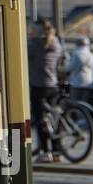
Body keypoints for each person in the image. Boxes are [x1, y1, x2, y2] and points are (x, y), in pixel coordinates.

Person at [28, 19, 63, 162]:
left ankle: (45, 152)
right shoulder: (56, 43)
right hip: (53, 85)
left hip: (39, 86)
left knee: (40, 119)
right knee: (54, 118)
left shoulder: (35, 44)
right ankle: (56, 151)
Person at [66, 35, 93, 102]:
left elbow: (69, 68)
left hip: (76, 83)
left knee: (75, 103)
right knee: (84, 103)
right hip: (88, 82)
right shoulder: (91, 55)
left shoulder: (76, 54)